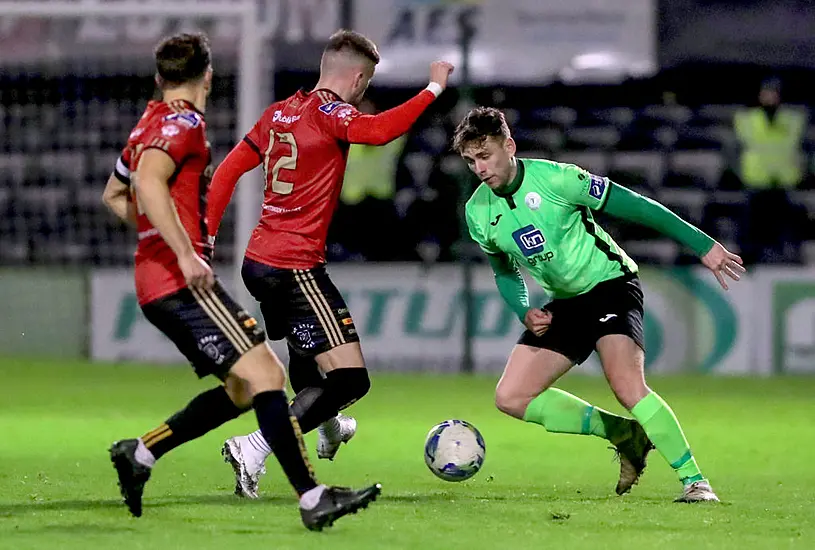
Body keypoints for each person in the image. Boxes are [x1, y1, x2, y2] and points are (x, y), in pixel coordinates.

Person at [100, 32, 380, 530]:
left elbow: (115, 195)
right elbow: (144, 185)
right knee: (268, 376)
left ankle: (141, 453)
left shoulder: (147, 124)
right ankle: (312, 497)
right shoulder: (185, 125)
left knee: (244, 386)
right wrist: (184, 252)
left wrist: (155, 238)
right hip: (179, 281)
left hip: (157, 277)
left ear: (161, 76)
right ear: (207, 75)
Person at [207, 29, 454, 499]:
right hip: (297, 266)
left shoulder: (278, 113)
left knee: (307, 357)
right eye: (366, 85)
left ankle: (331, 427)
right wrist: (434, 88)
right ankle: (254, 447)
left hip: (258, 263)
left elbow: (227, 171)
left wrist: (209, 237)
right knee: (349, 378)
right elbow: (380, 132)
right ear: (358, 78)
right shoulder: (332, 113)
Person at [455, 107, 745, 502]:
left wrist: (702, 245)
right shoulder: (478, 211)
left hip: (610, 285)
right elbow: (504, 271)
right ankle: (623, 432)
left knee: (626, 384)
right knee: (511, 397)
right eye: (471, 161)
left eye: (485, 156)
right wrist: (522, 309)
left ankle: (695, 482)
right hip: (566, 303)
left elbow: (640, 206)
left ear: (509, 146)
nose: (479, 168)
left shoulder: (559, 179)